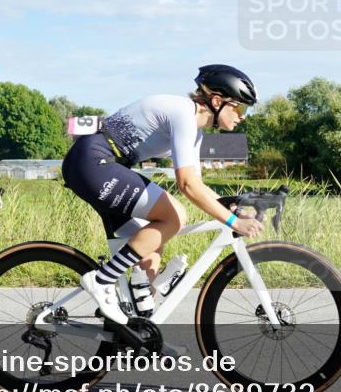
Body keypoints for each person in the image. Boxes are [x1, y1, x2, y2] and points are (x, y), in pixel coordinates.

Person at [62, 64, 264, 325]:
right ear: (216, 101)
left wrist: (233, 207)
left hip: (100, 165)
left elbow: (199, 185)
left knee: (151, 248)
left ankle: (140, 328)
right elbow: (187, 185)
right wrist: (234, 223)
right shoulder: (182, 113)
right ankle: (101, 280)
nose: (242, 116)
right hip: (94, 161)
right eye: (239, 107)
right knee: (174, 216)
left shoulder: (194, 134)